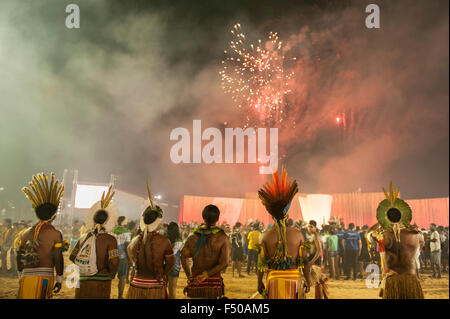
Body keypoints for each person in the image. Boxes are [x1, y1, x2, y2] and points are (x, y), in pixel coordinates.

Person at [257, 167, 311, 299]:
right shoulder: (298, 234)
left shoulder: (265, 235)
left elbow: (261, 262)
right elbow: (305, 261)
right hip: (293, 280)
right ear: (287, 216)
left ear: (272, 216)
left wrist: (259, 282)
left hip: (273, 280)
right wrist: (308, 280)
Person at [371, 182, 424, 299]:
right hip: (410, 279)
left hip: (392, 281)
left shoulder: (383, 235)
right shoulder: (416, 234)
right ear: (404, 216)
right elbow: (422, 242)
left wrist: (381, 221)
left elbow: (368, 233)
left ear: (386, 217)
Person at [17, 173, 65, 299]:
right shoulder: (55, 234)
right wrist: (59, 279)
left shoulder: (25, 233)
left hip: (25, 277)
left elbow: (19, 255)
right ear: (53, 216)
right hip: (44, 277)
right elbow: (58, 258)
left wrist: (19, 275)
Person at [69, 185, 120, 299]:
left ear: (93, 219)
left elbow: (72, 257)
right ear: (108, 220)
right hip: (101, 281)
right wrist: (109, 273)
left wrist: (85, 267)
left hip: (83, 281)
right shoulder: (110, 239)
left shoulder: (83, 237)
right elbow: (114, 262)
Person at [126, 184, 175, 299]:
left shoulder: (135, 240)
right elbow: (170, 262)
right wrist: (162, 273)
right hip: (154, 286)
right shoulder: (163, 241)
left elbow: (131, 257)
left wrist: (134, 264)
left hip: (136, 284)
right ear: (157, 222)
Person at [181, 204, 230, 299]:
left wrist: (189, 276)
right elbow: (225, 262)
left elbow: (183, 256)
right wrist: (205, 275)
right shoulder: (223, 238)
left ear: (203, 217)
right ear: (217, 218)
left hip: (196, 281)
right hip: (213, 283)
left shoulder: (192, 238)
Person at [111, 216, 132, 299]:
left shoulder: (112, 231)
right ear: (123, 222)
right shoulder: (127, 232)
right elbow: (127, 246)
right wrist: (130, 259)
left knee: (109, 278)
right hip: (122, 258)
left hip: (112, 257)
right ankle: (120, 296)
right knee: (122, 278)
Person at [167, 222, 183, 299]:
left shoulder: (165, 238)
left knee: (165, 288)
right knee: (172, 289)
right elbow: (174, 252)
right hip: (174, 265)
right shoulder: (179, 240)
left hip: (164, 264)